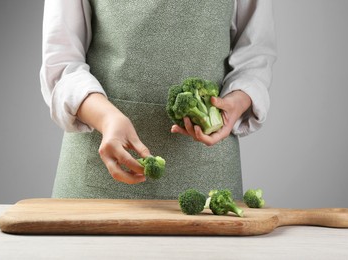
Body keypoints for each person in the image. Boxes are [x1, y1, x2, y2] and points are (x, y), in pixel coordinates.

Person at [40, 0, 276, 200]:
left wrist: (236, 100)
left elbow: (255, 53)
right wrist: (107, 118)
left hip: (207, 177)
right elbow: (62, 65)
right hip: (96, 179)